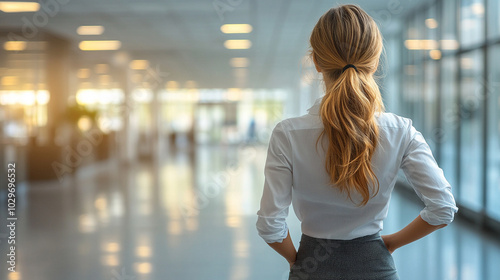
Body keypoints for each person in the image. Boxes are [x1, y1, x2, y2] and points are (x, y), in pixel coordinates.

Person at [255, 4, 458, 280]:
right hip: (377, 268)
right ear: (374, 62)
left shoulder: (287, 134)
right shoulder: (401, 131)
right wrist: (390, 243)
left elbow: (270, 226)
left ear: (316, 61)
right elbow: (443, 207)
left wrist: (298, 263)